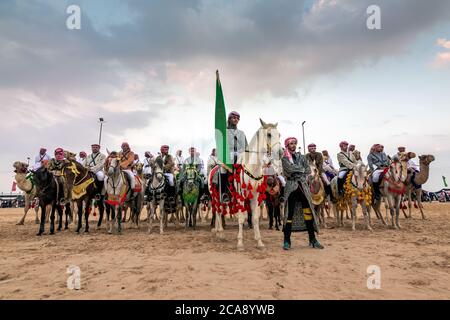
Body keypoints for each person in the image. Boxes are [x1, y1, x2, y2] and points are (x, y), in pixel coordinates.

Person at [281, 137, 324, 250]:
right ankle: (287, 240)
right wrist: (300, 169)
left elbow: (308, 170)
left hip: (303, 187)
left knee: (308, 212)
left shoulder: (302, 156)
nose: (293, 145)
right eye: (291, 143)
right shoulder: (284, 158)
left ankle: (313, 240)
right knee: (289, 214)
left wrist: (298, 169)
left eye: (295, 143)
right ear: (287, 145)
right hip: (291, 186)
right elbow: (289, 169)